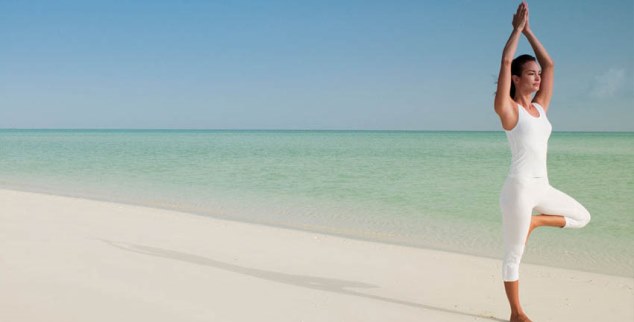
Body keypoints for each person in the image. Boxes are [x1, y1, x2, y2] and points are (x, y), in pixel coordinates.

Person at [493, 2, 591, 321]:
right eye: (530, 75)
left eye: (537, 76)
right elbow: (506, 60)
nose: (537, 79)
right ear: (517, 79)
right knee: (514, 255)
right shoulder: (509, 110)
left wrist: (531, 31)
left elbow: (550, 65)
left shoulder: (540, 108)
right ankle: (516, 312)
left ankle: (537, 222)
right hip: (519, 189)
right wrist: (516, 31)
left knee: (581, 217)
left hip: (542, 187)